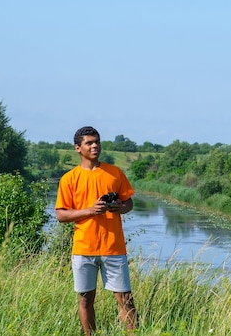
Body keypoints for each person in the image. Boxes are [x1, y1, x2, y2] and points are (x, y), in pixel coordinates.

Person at [55, 126, 138, 335]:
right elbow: (61, 215)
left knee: (125, 298)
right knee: (85, 299)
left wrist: (120, 207)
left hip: (114, 247)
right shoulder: (69, 178)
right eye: (89, 143)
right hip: (84, 248)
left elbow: (129, 203)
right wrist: (91, 210)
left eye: (97, 142)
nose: (94, 146)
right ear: (78, 148)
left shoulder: (114, 172)